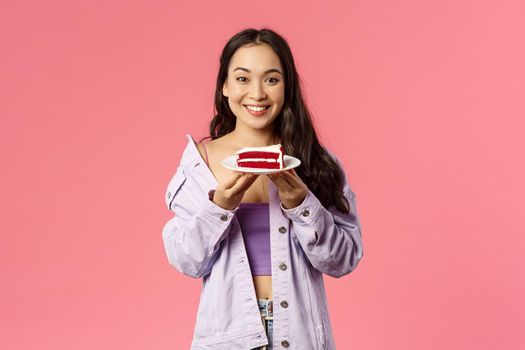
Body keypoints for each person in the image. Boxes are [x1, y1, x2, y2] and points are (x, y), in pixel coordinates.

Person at [162, 28, 364, 350]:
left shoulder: (314, 162)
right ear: (225, 87)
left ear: (287, 88)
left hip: (300, 336)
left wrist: (301, 202)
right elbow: (187, 260)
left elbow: (343, 260)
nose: (257, 93)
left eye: (271, 79)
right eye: (242, 79)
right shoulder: (200, 163)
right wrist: (220, 207)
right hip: (229, 337)